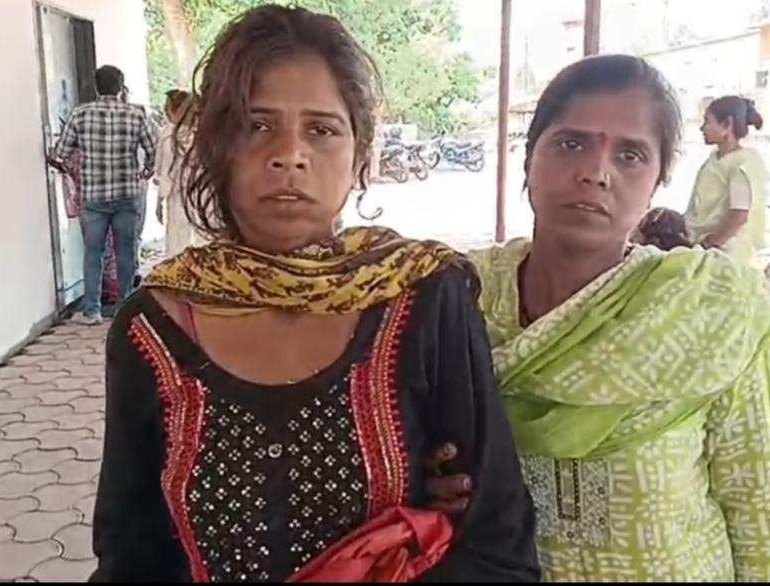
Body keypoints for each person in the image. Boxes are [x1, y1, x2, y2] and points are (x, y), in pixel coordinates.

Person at [90, 6, 538, 583]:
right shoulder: (152, 326)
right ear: (217, 146)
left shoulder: (423, 296)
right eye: (256, 126)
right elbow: (130, 556)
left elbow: (498, 545)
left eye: (322, 130)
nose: (290, 154)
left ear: (359, 153)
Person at [425, 55, 770, 581]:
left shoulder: (707, 310)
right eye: (571, 144)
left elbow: (758, 509)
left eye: (631, 155)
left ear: (657, 183)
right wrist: (422, 481)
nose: (595, 172)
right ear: (530, 159)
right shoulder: (458, 299)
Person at [51, 65, 157, 325]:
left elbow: (60, 152)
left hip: (94, 197)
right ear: (120, 87)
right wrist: (147, 169)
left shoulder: (80, 114)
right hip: (127, 194)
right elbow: (153, 148)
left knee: (93, 253)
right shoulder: (135, 115)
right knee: (126, 251)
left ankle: (92, 311)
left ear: (96, 87)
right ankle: (125, 309)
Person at [685, 96, 769, 265]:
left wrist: (709, 243)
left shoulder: (742, 164)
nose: (702, 128)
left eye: (707, 121)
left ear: (727, 125)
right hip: (705, 246)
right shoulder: (715, 160)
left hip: (726, 254)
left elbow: (739, 216)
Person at [155, 89, 202, 257]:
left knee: (177, 243)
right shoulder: (204, 135)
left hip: (177, 196)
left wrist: (159, 200)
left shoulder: (168, 136)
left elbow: (165, 171)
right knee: (203, 241)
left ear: (173, 110)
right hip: (202, 195)